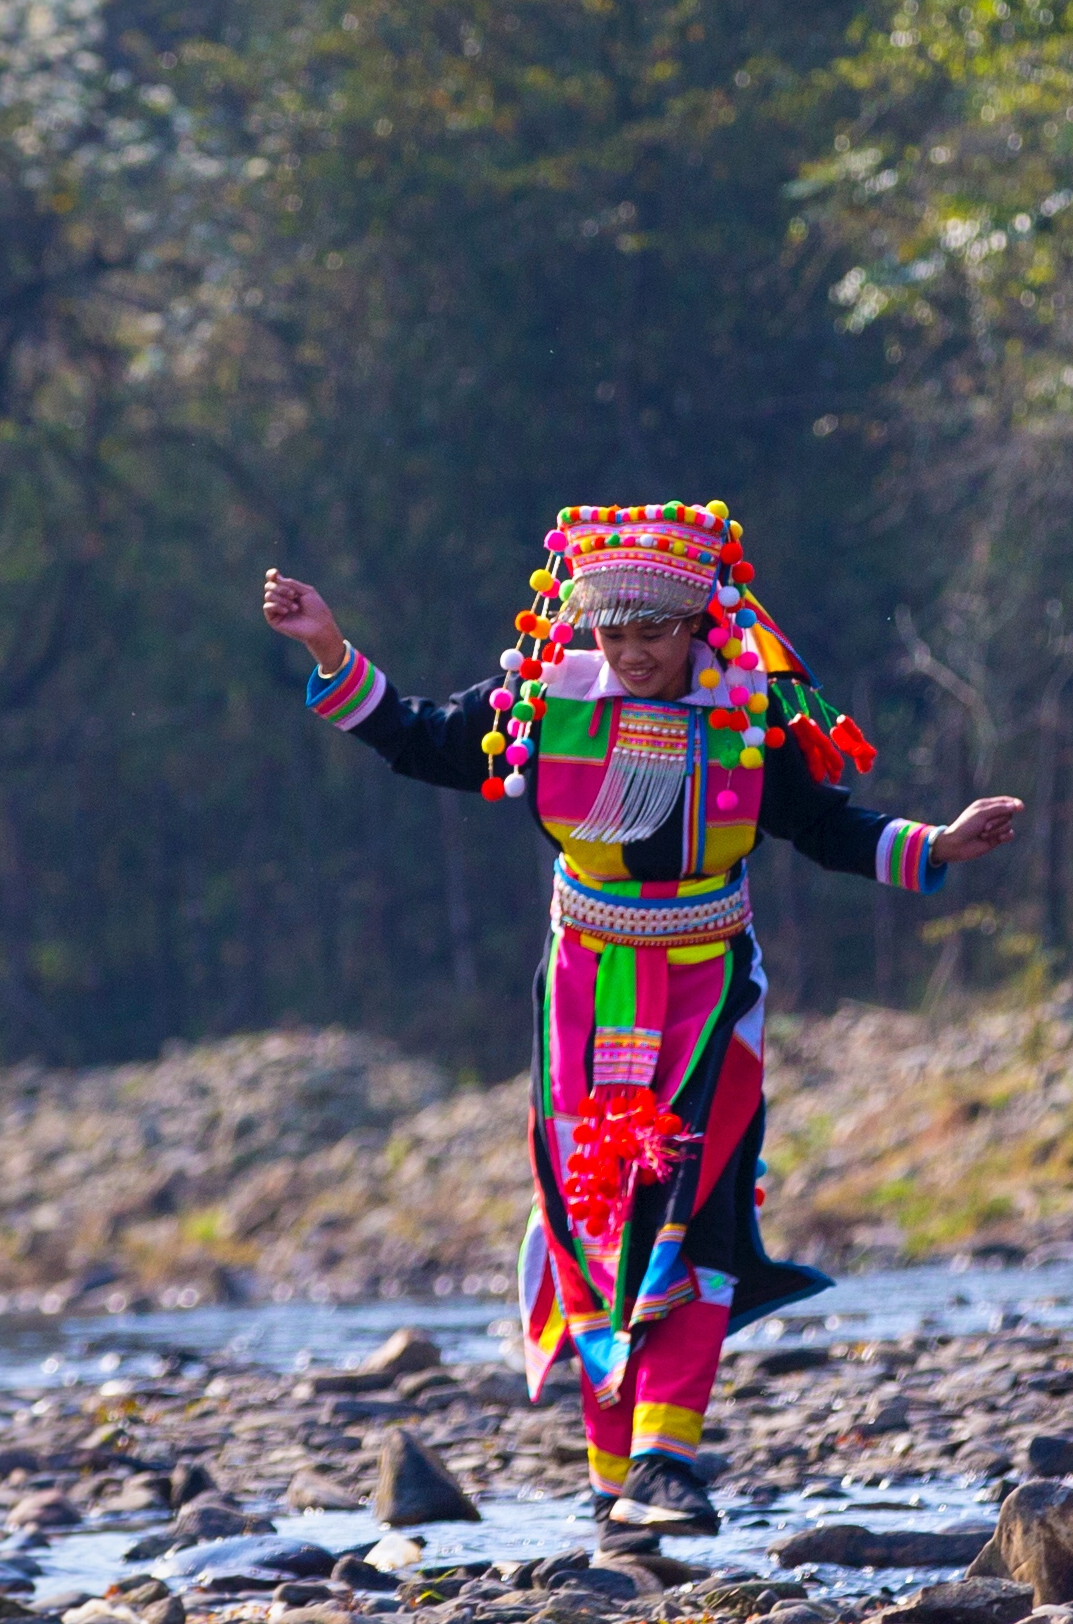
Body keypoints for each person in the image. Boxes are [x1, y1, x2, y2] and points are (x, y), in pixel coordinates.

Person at [262, 504, 1020, 1544]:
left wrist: (936, 842)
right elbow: (420, 737)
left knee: (693, 1209)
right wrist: (327, 647)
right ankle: (614, 1479)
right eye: (613, 634)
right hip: (583, 993)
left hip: (711, 995)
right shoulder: (544, 702)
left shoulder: (748, 715)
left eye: (653, 634)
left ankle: (667, 1461)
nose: (632, 654)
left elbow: (823, 826)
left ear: (699, 623)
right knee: (593, 1216)